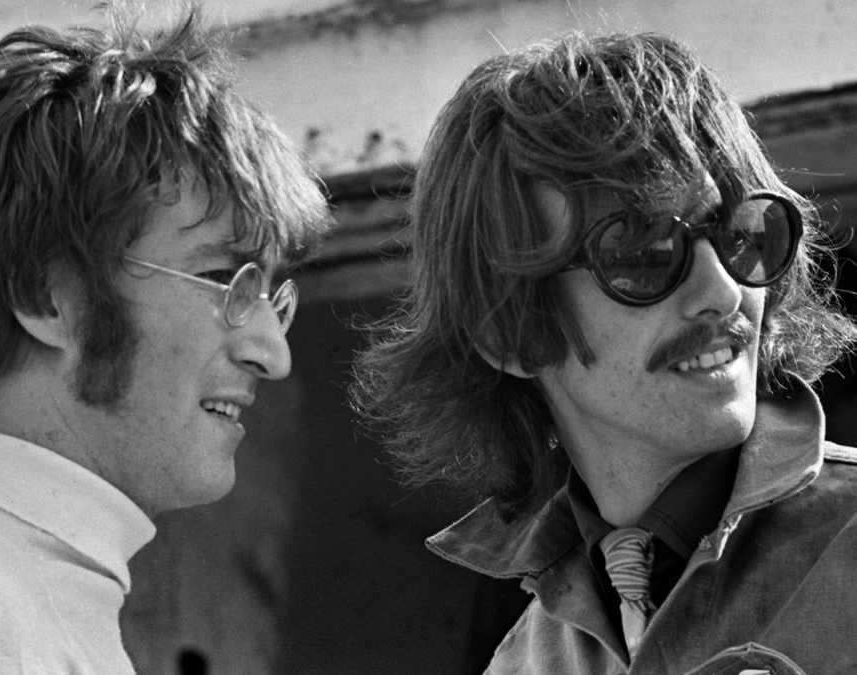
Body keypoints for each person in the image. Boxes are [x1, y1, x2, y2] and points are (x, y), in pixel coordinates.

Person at [351, 32, 857, 674]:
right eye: (644, 255)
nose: (724, 292)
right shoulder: (520, 666)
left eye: (741, 234)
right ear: (510, 334)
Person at [0, 6, 328, 674]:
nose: (274, 354)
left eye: (273, 300)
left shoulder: (41, 602)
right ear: (46, 297)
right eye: (223, 279)